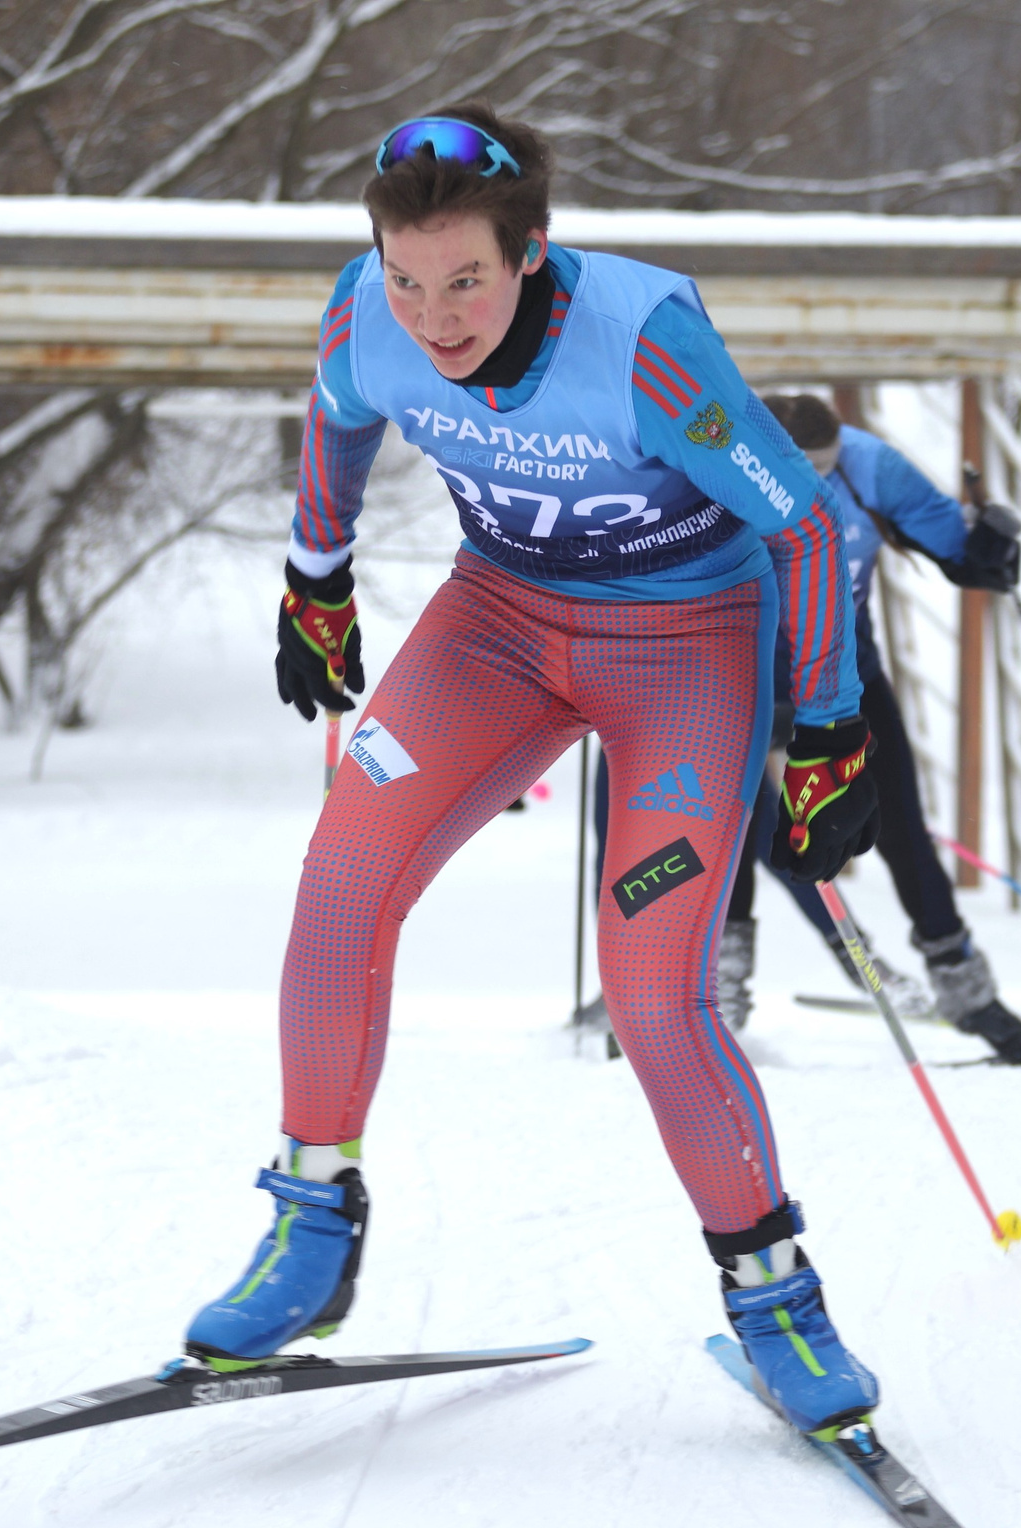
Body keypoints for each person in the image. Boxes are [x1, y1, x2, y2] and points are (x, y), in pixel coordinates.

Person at [186, 105, 885, 1441]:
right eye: (406, 277)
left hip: (684, 644)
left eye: (466, 281)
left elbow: (795, 526)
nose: (434, 319)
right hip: (498, 622)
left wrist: (830, 723)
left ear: (533, 255)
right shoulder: (365, 313)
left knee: (654, 988)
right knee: (340, 881)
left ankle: (775, 1293)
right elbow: (336, 418)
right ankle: (311, 1231)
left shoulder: (641, 341)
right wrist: (314, 580)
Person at [738, 392, 1021, 1065]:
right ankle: (714, 996)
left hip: (843, 667)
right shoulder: (722, 458)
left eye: (823, 472)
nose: (813, 489)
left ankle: (966, 991)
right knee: (728, 829)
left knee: (899, 824)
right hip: (736, 671)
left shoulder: (871, 464)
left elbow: (953, 540)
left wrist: (986, 544)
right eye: (799, 474)